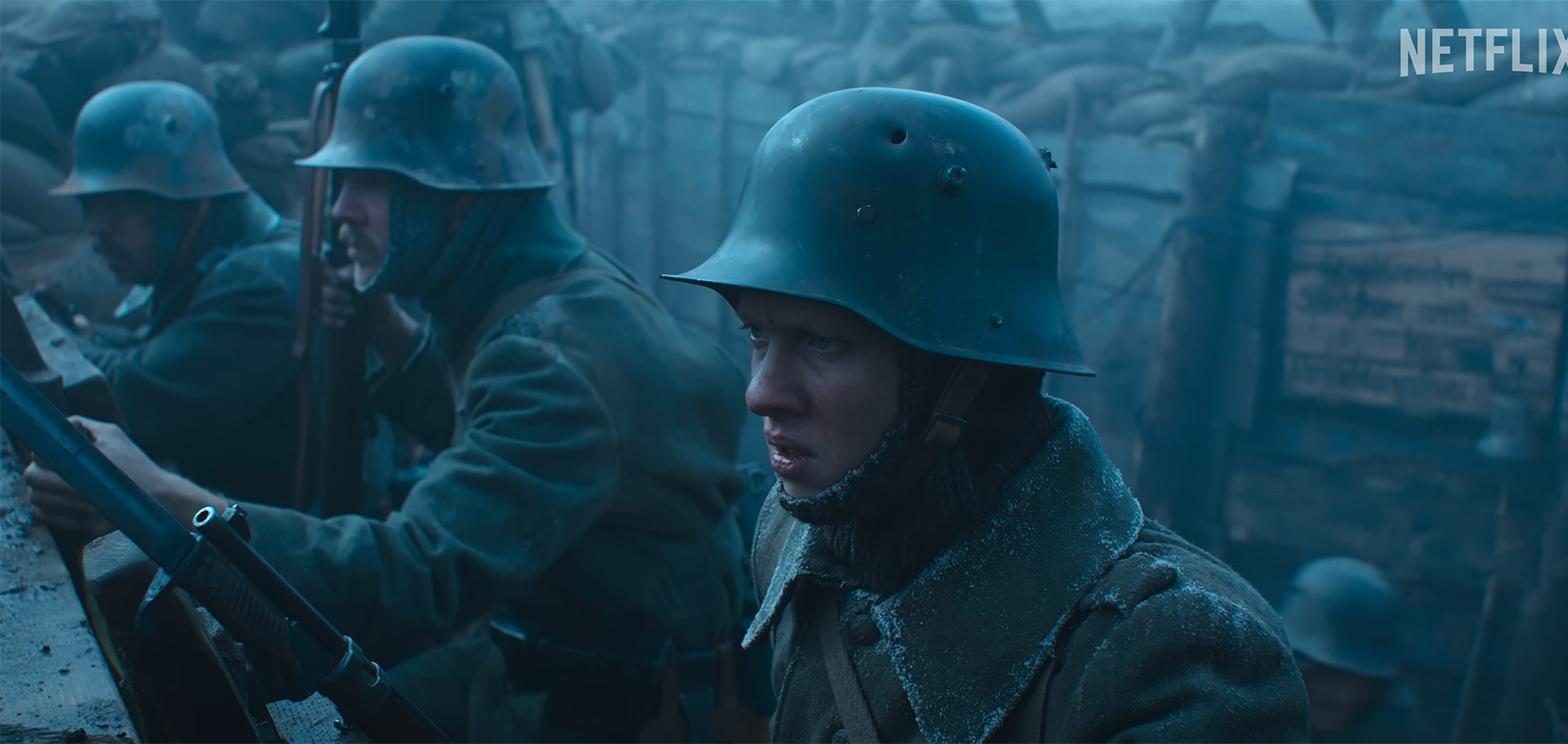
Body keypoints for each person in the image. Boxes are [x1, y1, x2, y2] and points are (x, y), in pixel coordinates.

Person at [29, 36, 752, 741]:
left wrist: (172, 502)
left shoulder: (549, 355)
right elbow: (508, 450)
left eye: (364, 182)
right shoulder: (551, 292)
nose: (339, 209)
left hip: (611, 704)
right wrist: (387, 331)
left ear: (456, 194)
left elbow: (416, 577)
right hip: (538, 646)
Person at [663, 86, 1310, 741]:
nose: (762, 393)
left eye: (822, 343)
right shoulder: (796, 531)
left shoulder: (1173, 662)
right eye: (757, 336)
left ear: (961, 375)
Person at [35, 81, 302, 514]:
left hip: (271, 546)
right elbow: (155, 349)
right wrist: (81, 329)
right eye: (91, 206)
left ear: (188, 200)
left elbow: (130, 401)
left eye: (118, 205)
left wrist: (45, 333)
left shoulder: (258, 284)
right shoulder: (210, 256)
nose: (96, 229)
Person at [1280, 556, 1424, 742]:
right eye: (1326, 673)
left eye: (1360, 680)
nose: (1343, 695)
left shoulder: (1391, 726)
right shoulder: (1247, 713)